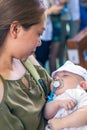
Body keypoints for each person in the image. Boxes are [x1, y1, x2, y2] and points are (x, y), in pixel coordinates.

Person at [0, 0, 53, 130]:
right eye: (39, 33)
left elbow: (53, 88)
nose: (40, 42)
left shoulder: (26, 58)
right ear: (15, 29)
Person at [44, 61, 87, 130]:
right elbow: (46, 115)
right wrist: (57, 103)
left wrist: (61, 123)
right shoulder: (54, 97)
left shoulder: (78, 93)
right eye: (54, 78)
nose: (57, 79)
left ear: (82, 85)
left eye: (65, 75)